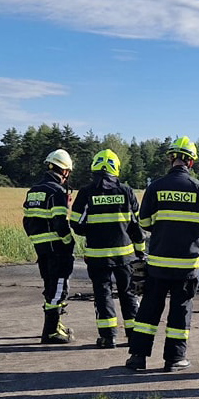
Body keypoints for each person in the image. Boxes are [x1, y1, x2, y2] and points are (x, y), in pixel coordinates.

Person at [125, 136, 199, 372]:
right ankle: (175, 359)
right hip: (187, 266)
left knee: (149, 308)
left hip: (158, 263)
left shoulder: (155, 187)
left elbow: (144, 221)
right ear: (191, 163)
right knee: (180, 311)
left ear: (171, 159)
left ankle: (138, 357)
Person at [70, 149, 145, 349]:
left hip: (97, 256)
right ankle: (133, 336)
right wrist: (140, 251)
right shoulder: (126, 191)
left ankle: (108, 337)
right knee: (128, 294)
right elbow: (136, 225)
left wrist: (94, 231)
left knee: (102, 295)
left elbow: (76, 223)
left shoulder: (86, 192)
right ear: (116, 168)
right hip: (125, 256)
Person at [22, 149, 77, 344]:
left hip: (42, 248)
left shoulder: (33, 191)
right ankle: (51, 331)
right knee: (58, 289)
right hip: (58, 249)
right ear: (65, 171)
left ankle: (55, 325)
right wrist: (70, 242)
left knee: (50, 286)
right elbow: (60, 223)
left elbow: (26, 221)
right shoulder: (57, 191)